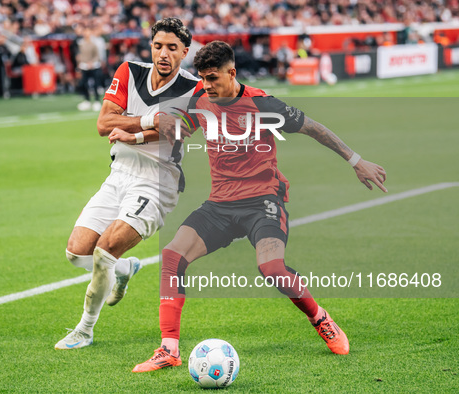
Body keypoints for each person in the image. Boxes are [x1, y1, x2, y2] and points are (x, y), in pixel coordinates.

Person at [132, 41, 387, 372]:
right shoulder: (201, 100)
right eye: (203, 78)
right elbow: (180, 130)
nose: (207, 86)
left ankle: (320, 318)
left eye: (213, 78)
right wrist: (135, 136)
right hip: (220, 204)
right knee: (172, 256)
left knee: (272, 270)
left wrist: (355, 160)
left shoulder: (263, 104)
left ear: (231, 72)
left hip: (262, 200)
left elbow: (314, 128)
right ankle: (169, 349)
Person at [54, 18, 203, 350]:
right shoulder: (129, 71)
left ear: (185, 52)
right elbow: (104, 123)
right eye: (158, 46)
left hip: (157, 182)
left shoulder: (195, 89)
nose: (163, 54)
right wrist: (149, 120)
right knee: (75, 252)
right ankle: (124, 270)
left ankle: (84, 330)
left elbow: (177, 130)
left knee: (104, 251)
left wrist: (133, 134)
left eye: (172, 48)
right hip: (118, 175)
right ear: (151, 46)